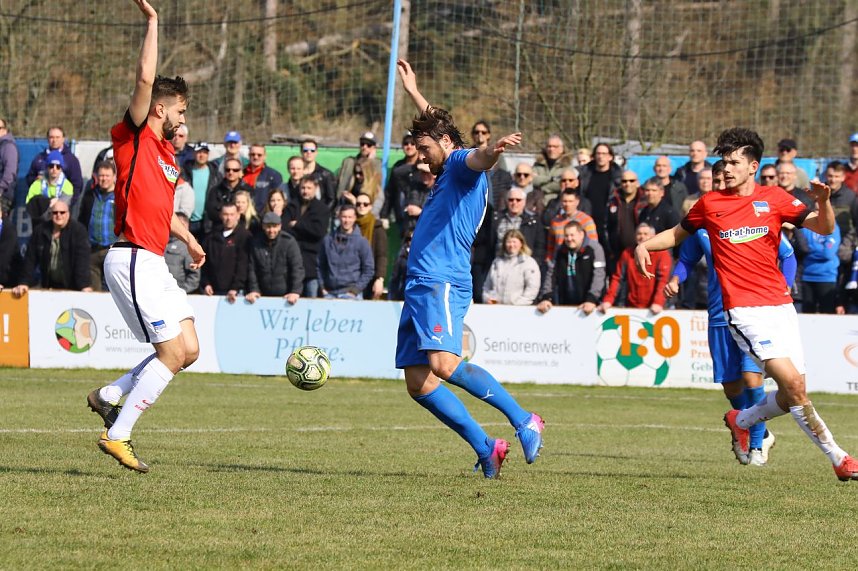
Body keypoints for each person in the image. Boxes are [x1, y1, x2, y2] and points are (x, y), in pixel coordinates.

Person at [634, 127, 858, 481]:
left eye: (735, 161)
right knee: (795, 388)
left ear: (753, 165)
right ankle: (840, 458)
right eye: (725, 162)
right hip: (743, 311)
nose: (727, 168)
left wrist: (825, 202)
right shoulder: (710, 204)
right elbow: (678, 234)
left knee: (791, 393)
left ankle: (743, 419)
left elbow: (825, 228)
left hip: (781, 308)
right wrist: (644, 245)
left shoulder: (775, 198)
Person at [395, 60, 543, 479]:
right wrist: (415, 93)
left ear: (444, 144)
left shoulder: (460, 165)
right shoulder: (445, 164)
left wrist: (492, 150)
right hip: (421, 283)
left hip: (440, 280)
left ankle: (523, 418)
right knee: (419, 382)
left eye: (424, 151)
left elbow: (473, 157)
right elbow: (442, 135)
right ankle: (486, 448)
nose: (421, 161)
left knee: (443, 364)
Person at [86, 0, 206, 474]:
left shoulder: (168, 158)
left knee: (190, 349)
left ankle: (110, 394)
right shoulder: (134, 137)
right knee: (171, 352)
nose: (184, 118)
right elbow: (142, 81)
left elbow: (162, 210)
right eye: (180, 109)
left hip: (156, 259)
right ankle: (118, 434)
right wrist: (154, 23)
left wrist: (189, 238)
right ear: (160, 108)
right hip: (132, 258)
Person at [664, 164, 796, 465]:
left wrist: (785, 288)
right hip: (719, 314)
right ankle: (744, 426)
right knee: (731, 386)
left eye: (725, 176)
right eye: (716, 178)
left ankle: (758, 443)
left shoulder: (749, 215)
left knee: (753, 380)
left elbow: (787, 255)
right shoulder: (704, 221)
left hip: (753, 311)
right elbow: (685, 259)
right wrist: (675, 278)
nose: (721, 181)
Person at [12, 200, 92, 295]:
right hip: (49, 286)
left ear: (68, 214)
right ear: (50, 214)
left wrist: (84, 285)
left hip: (73, 287)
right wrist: (23, 283)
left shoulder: (79, 231)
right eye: (55, 212)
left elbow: (82, 261)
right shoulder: (40, 231)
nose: (59, 215)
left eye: (62, 212)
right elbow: (30, 259)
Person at [536, 221, 605, 315]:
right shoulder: (560, 250)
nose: (569, 239)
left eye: (572, 235)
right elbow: (551, 273)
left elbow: (599, 275)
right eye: (566, 236)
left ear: (581, 234)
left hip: (590, 305)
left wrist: (592, 299)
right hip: (566, 305)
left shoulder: (594, 248)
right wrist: (547, 297)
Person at [598, 222, 669, 314]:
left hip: (656, 308)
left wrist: (658, 302)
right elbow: (617, 278)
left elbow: (663, 280)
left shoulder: (662, 254)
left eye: (645, 234)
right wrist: (608, 300)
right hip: (631, 306)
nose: (642, 237)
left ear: (653, 236)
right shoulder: (627, 254)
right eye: (639, 234)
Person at [245, 212, 304, 305]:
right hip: (261, 296)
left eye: (274, 226)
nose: (271, 230)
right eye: (268, 226)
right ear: (263, 226)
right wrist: (254, 289)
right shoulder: (255, 243)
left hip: (286, 296)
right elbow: (252, 269)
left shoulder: (289, 242)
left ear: (280, 226)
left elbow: (297, 268)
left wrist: (295, 291)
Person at [285, 176, 330, 298]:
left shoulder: (322, 209)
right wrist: (306, 228)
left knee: (312, 299)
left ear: (315, 189)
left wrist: (297, 224)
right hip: (292, 263)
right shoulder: (291, 206)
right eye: (303, 187)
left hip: (312, 263)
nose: (305, 191)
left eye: (309, 188)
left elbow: (318, 231)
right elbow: (285, 229)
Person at [76, 160, 118, 291]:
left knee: (111, 292)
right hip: (92, 251)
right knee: (94, 294)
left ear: (114, 177)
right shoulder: (90, 195)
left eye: (107, 176)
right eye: (101, 175)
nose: (104, 179)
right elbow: (81, 219)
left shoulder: (120, 196)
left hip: (112, 251)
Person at [318, 204, 374, 299]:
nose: (347, 221)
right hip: (329, 294)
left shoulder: (362, 242)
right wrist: (322, 287)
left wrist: (355, 291)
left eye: (350, 217)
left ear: (355, 218)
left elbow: (368, 270)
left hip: (351, 294)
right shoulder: (327, 240)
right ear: (339, 217)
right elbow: (320, 266)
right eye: (344, 217)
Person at [200, 201, 250, 302]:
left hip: (236, 293)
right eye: (226, 214)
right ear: (220, 215)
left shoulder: (245, 236)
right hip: (212, 292)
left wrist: (235, 287)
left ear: (237, 216)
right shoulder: (211, 237)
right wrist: (206, 283)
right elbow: (204, 263)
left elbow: (243, 265)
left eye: (232, 214)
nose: (229, 218)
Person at [25, 126, 84, 205]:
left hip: (62, 206)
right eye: (51, 137)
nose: (54, 140)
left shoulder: (71, 160)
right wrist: (36, 180)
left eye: (57, 137)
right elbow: (30, 178)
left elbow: (77, 184)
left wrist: (68, 203)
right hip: (42, 207)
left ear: (63, 139)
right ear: (47, 139)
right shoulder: (39, 158)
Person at [483, 229, 541, 305]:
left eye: (514, 242)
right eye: (508, 242)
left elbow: (532, 287)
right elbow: (487, 285)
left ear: (521, 244)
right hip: (496, 308)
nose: (511, 245)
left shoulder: (528, 262)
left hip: (518, 309)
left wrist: (519, 304)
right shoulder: (497, 262)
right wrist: (487, 298)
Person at [182, 142, 220, 239]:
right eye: (199, 152)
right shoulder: (185, 172)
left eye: (204, 152)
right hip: (188, 220)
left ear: (208, 155)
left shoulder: (215, 174)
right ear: (194, 154)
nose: (201, 155)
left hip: (207, 221)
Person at [354, 192, 387, 300]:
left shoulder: (377, 227)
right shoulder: (350, 225)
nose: (361, 206)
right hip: (352, 276)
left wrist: (380, 279)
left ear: (371, 206)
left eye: (365, 204)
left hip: (370, 277)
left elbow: (381, 255)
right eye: (358, 204)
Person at [165, 212, 201, 293]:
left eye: (180, 225)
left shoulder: (189, 247)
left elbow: (194, 276)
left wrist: (180, 291)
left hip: (178, 294)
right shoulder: (160, 242)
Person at [336, 131, 381, 196]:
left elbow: (375, 185)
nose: (364, 147)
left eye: (369, 145)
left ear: (374, 148)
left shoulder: (377, 163)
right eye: (362, 144)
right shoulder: (350, 162)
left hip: (367, 202)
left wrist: (370, 161)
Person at [243, 144, 283, 213]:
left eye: (259, 155)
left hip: (264, 217)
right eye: (253, 154)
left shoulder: (274, 175)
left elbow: (278, 199)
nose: (256, 157)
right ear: (249, 155)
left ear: (265, 156)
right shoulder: (240, 173)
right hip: (244, 215)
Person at [300, 139, 336, 209]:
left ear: (316, 152)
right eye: (305, 150)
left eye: (312, 150)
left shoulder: (325, 174)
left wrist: (322, 214)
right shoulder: (298, 173)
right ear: (301, 152)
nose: (309, 152)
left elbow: (332, 199)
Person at [0, 117, 19, 213]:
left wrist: (1, 189)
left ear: (5, 130)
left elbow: (10, 173)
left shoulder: (8, 147)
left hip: (3, 196)